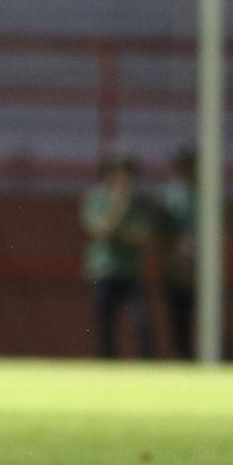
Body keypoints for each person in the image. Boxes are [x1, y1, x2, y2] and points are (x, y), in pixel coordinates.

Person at [81, 153, 154, 358]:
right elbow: (101, 230)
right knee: (105, 323)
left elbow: (144, 234)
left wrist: (119, 232)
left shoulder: (140, 201)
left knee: (142, 321)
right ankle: (107, 364)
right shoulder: (96, 197)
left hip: (131, 271)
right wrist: (119, 204)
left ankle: (147, 365)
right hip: (104, 269)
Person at [157, 147, 196, 359]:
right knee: (178, 314)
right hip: (176, 262)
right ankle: (182, 357)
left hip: (201, 265)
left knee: (212, 316)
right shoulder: (170, 195)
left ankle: (222, 357)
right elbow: (163, 232)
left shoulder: (205, 193)